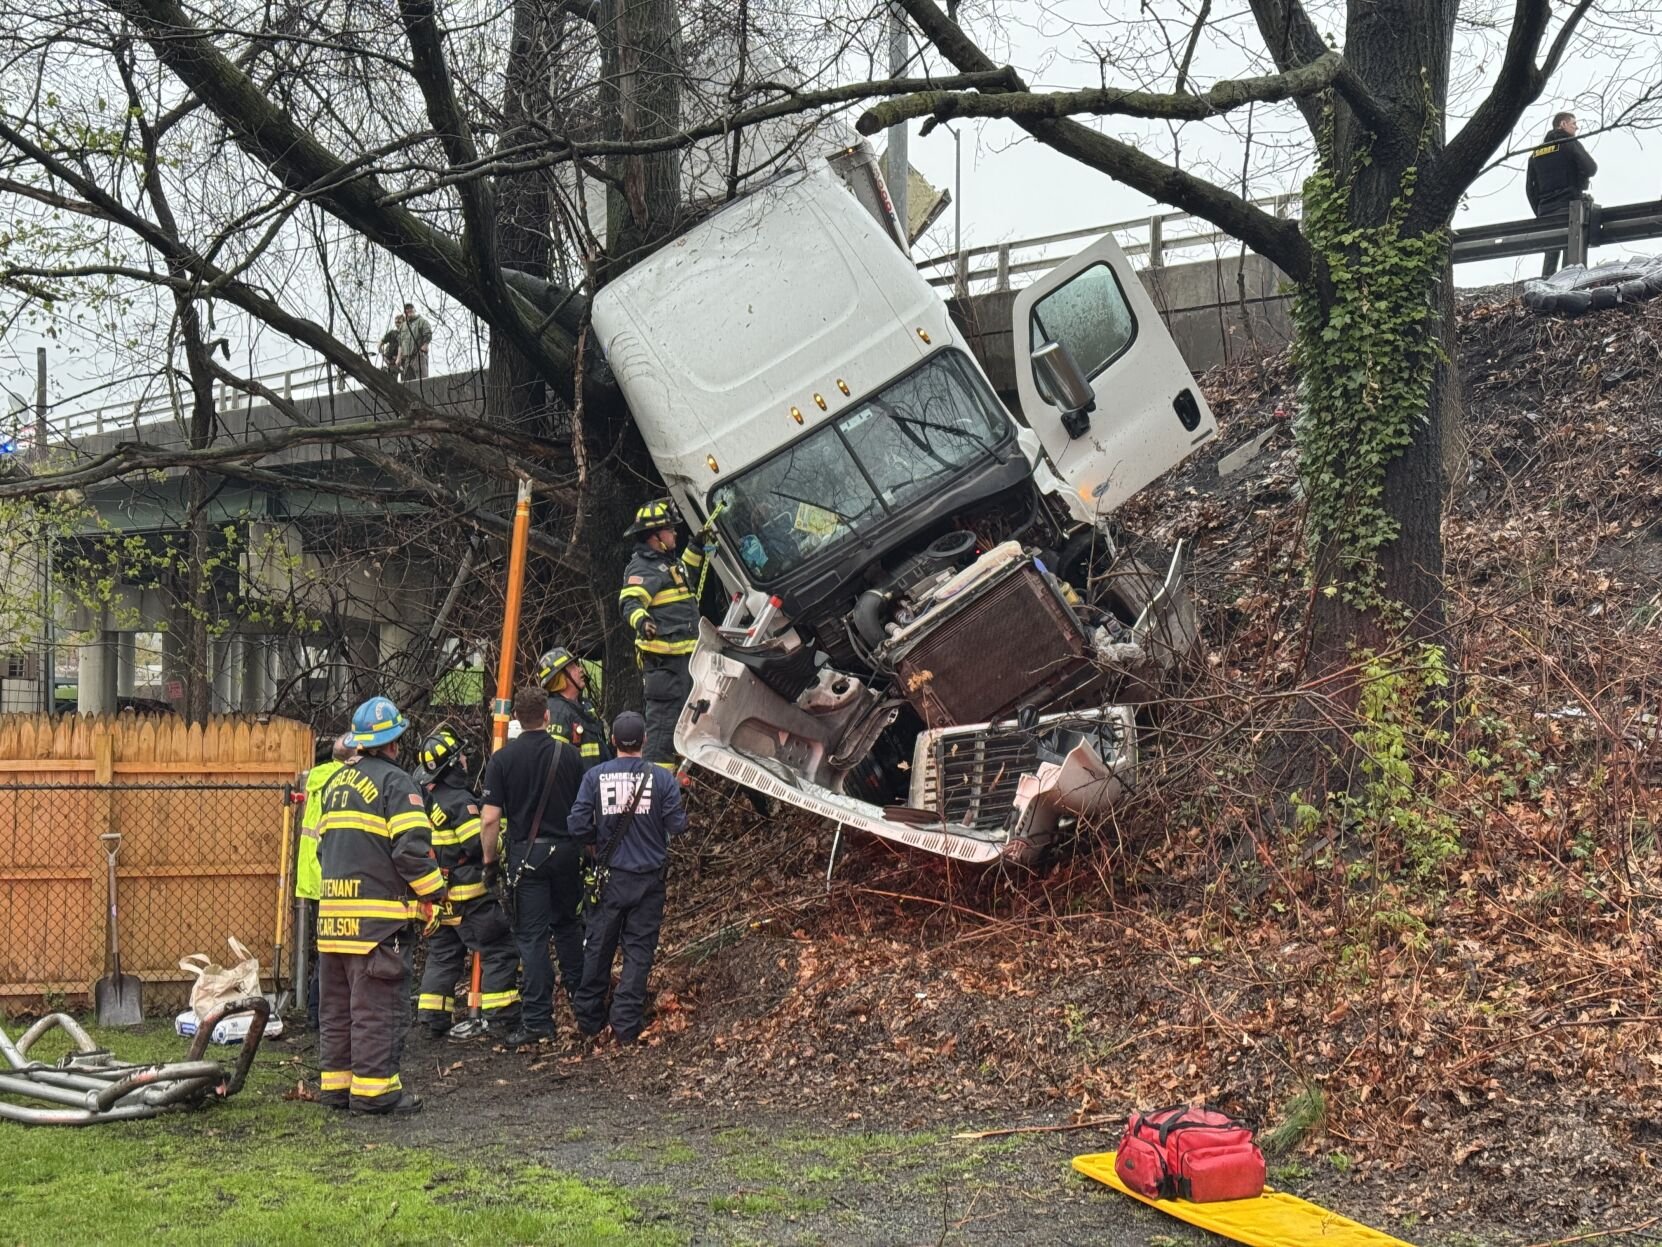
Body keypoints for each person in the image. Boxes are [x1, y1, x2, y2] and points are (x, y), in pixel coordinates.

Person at [314, 696, 444, 1115]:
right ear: (394, 742)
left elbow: (321, 849)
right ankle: (375, 1093)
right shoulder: (396, 783)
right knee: (376, 1009)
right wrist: (434, 893)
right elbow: (411, 851)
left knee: (337, 1010)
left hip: (333, 923)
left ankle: (337, 1087)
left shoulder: (335, 784)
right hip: (377, 927)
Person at [569, 711, 688, 1046]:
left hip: (609, 879)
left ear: (613, 742)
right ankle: (625, 1023)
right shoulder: (662, 780)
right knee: (638, 952)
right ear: (645, 742)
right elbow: (678, 826)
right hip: (649, 880)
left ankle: (590, 1018)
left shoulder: (594, 777)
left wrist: (597, 844)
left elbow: (576, 826)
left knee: (598, 947)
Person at [480, 684, 587, 1046]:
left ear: (516, 720)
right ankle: (585, 1008)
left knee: (533, 939)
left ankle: (539, 1020)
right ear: (546, 716)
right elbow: (582, 808)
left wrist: (490, 862)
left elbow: (490, 820)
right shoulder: (569, 756)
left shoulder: (503, 761)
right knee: (570, 928)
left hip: (528, 859)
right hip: (567, 853)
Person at [411, 727, 521, 1043]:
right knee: (499, 949)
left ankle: (433, 1017)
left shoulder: (425, 801)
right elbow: (476, 843)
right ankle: (501, 1016)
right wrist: (502, 842)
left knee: (444, 954)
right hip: (469, 896)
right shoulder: (460, 800)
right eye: (459, 755)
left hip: (440, 894)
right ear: (451, 765)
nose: (464, 759)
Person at [617, 498, 714, 768]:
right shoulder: (642, 568)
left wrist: (695, 547)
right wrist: (643, 621)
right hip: (665, 668)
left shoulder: (669, 564)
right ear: (654, 537)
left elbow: (688, 576)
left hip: (684, 661)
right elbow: (630, 602)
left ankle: (671, 790)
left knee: (690, 724)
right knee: (662, 736)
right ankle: (653, 792)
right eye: (670, 530)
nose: (675, 534)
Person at [297, 732, 356, 1031]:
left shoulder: (315, 778)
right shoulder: (346, 782)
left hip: (311, 874)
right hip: (335, 876)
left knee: (325, 949)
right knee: (334, 952)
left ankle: (315, 1013)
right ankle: (323, 1015)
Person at [1526, 111, 1597, 277]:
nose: (1576, 127)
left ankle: (1546, 282)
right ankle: (1569, 284)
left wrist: (1540, 209)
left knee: (1551, 250)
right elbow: (1591, 168)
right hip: (1570, 208)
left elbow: (1530, 188)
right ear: (1563, 124)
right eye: (1573, 123)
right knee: (1571, 247)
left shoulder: (1536, 153)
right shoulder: (1569, 143)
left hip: (1545, 211)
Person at [537, 645, 612, 771]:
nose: (580, 670)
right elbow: (556, 764)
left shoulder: (585, 706)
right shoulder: (556, 712)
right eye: (573, 667)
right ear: (559, 678)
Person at [396, 302, 433, 380]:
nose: (409, 310)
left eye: (410, 308)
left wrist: (424, 346)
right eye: (407, 309)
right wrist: (399, 357)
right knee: (407, 383)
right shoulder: (403, 326)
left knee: (422, 381)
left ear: (414, 309)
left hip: (419, 356)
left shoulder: (422, 321)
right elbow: (400, 343)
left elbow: (428, 334)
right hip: (407, 359)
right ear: (405, 312)